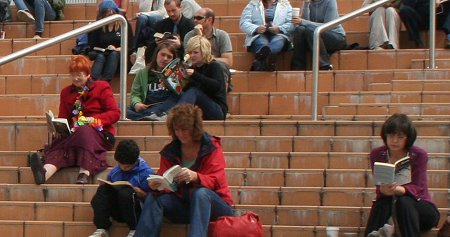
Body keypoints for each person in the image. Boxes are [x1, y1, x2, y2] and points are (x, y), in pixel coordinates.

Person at [134, 103, 234, 237]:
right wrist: (157, 185)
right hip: (184, 205)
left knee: (201, 194)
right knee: (154, 197)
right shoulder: (170, 150)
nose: (181, 134)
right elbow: (164, 178)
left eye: (185, 129)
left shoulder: (211, 146)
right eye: (177, 129)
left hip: (215, 206)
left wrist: (196, 176)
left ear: (194, 127)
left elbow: (217, 181)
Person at [28, 55, 121, 185]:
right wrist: (57, 126)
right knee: (63, 140)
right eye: (72, 75)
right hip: (75, 131)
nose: (75, 78)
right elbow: (64, 117)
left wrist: (92, 120)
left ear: (88, 74)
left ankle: (85, 172)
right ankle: (44, 173)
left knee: (84, 131)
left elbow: (115, 113)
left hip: (100, 131)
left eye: (79, 75)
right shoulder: (66, 92)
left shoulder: (102, 87)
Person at [364, 113, 440, 237]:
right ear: (385, 136)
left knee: (404, 202)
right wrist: (383, 190)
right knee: (381, 203)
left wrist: (399, 190)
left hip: (420, 207)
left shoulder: (418, 155)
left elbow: (418, 188)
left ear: (408, 138)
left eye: (400, 137)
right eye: (391, 135)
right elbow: (379, 184)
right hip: (390, 204)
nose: (394, 141)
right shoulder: (377, 154)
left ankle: (391, 229)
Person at [89, 139, 155, 237]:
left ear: (135, 161)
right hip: (119, 209)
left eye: (127, 166)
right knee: (103, 190)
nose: (123, 168)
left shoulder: (146, 173)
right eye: (121, 165)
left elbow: (154, 200)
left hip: (136, 211)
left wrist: (141, 193)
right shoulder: (116, 171)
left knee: (127, 192)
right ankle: (102, 228)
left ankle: (135, 229)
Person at [126, 43, 180, 121]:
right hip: (147, 107)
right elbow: (135, 94)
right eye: (162, 54)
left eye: (169, 57)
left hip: (164, 108)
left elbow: (179, 95)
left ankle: (149, 116)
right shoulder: (143, 73)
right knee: (120, 108)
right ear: (156, 55)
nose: (165, 58)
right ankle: (147, 117)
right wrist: (137, 103)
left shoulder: (176, 75)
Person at [290, 0, 346, 71]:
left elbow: (328, 25)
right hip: (313, 36)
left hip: (335, 36)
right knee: (300, 30)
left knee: (312, 30)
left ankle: (325, 65)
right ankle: (298, 67)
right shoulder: (308, 2)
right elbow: (304, 24)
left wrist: (303, 22)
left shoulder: (330, 1)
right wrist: (306, 4)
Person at [239, 0, 293, 71]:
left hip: (279, 34)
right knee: (262, 43)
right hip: (258, 35)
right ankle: (268, 62)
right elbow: (243, 23)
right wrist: (256, 28)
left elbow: (291, 24)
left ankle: (259, 62)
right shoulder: (253, 4)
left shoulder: (286, 5)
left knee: (278, 41)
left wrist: (279, 28)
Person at [88, 0, 134, 81]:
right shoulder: (99, 27)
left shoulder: (124, 25)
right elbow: (92, 49)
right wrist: (104, 50)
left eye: (113, 14)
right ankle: (90, 84)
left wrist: (120, 49)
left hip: (120, 61)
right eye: (107, 14)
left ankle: (105, 83)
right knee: (101, 57)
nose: (110, 16)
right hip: (103, 60)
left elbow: (131, 47)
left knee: (114, 54)